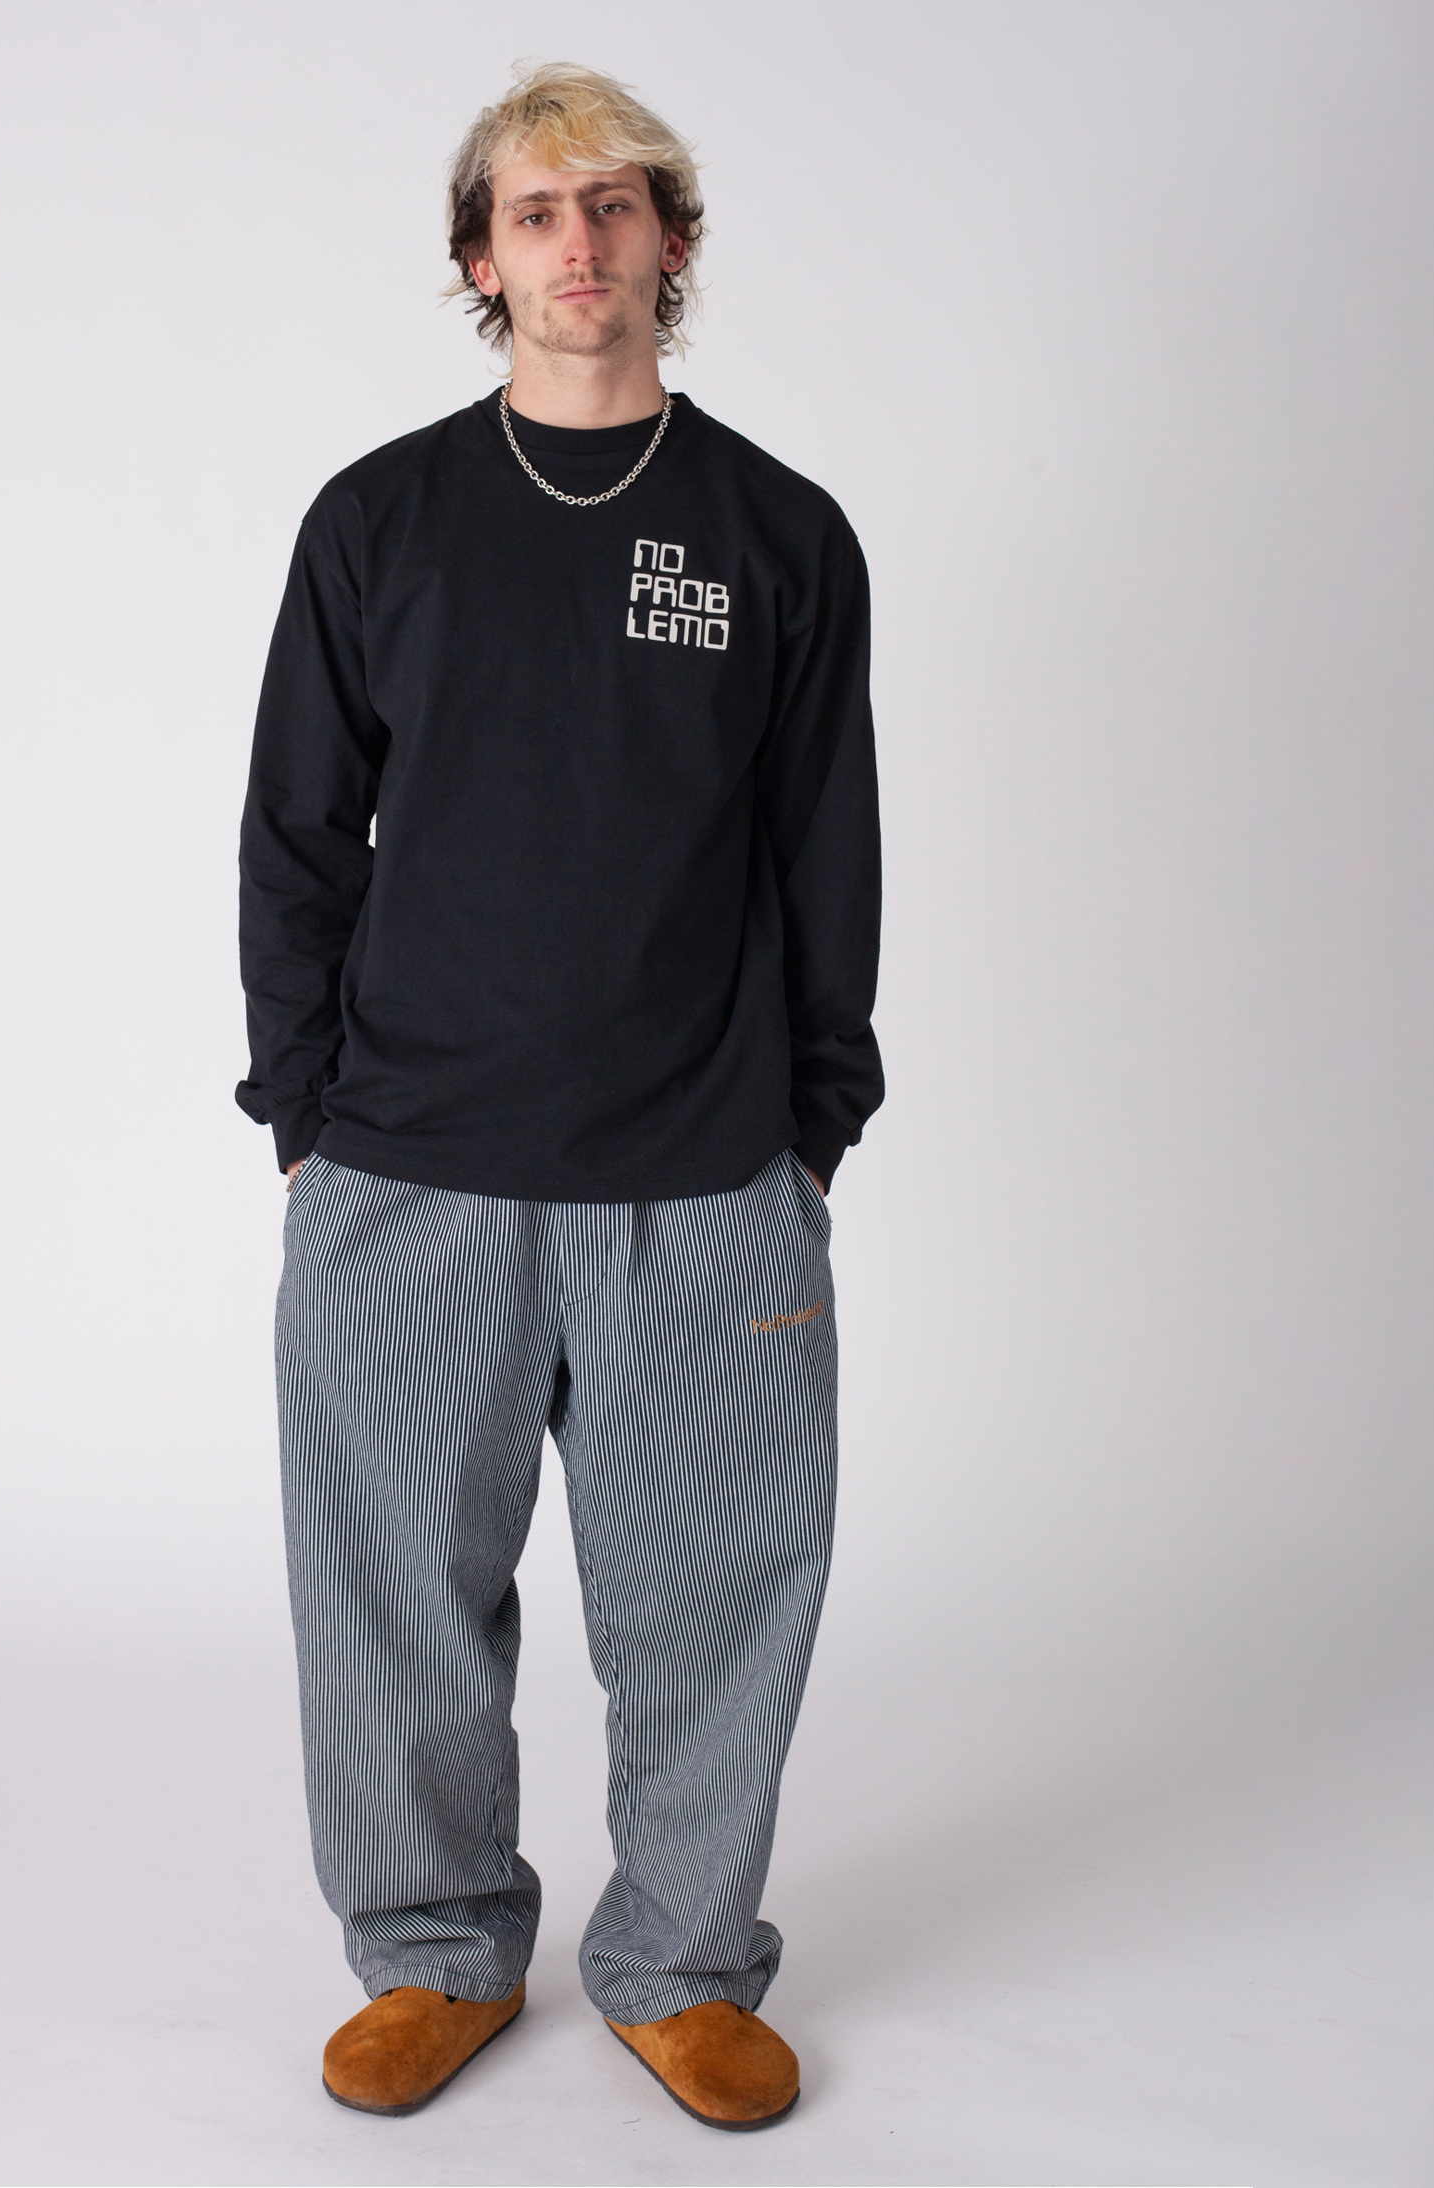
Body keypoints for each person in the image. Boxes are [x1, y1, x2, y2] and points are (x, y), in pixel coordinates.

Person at [234, 60, 883, 2133]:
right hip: (408, 1164)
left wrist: (807, 1123)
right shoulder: (377, 522)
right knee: (390, 1600)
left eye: (614, 205)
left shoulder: (778, 534)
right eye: (535, 211)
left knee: (716, 1596)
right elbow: (295, 835)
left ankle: (680, 1965)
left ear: (670, 243)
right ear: (479, 258)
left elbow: (825, 849)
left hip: (701, 1166)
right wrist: (302, 1110)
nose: (577, 242)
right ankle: (435, 1952)